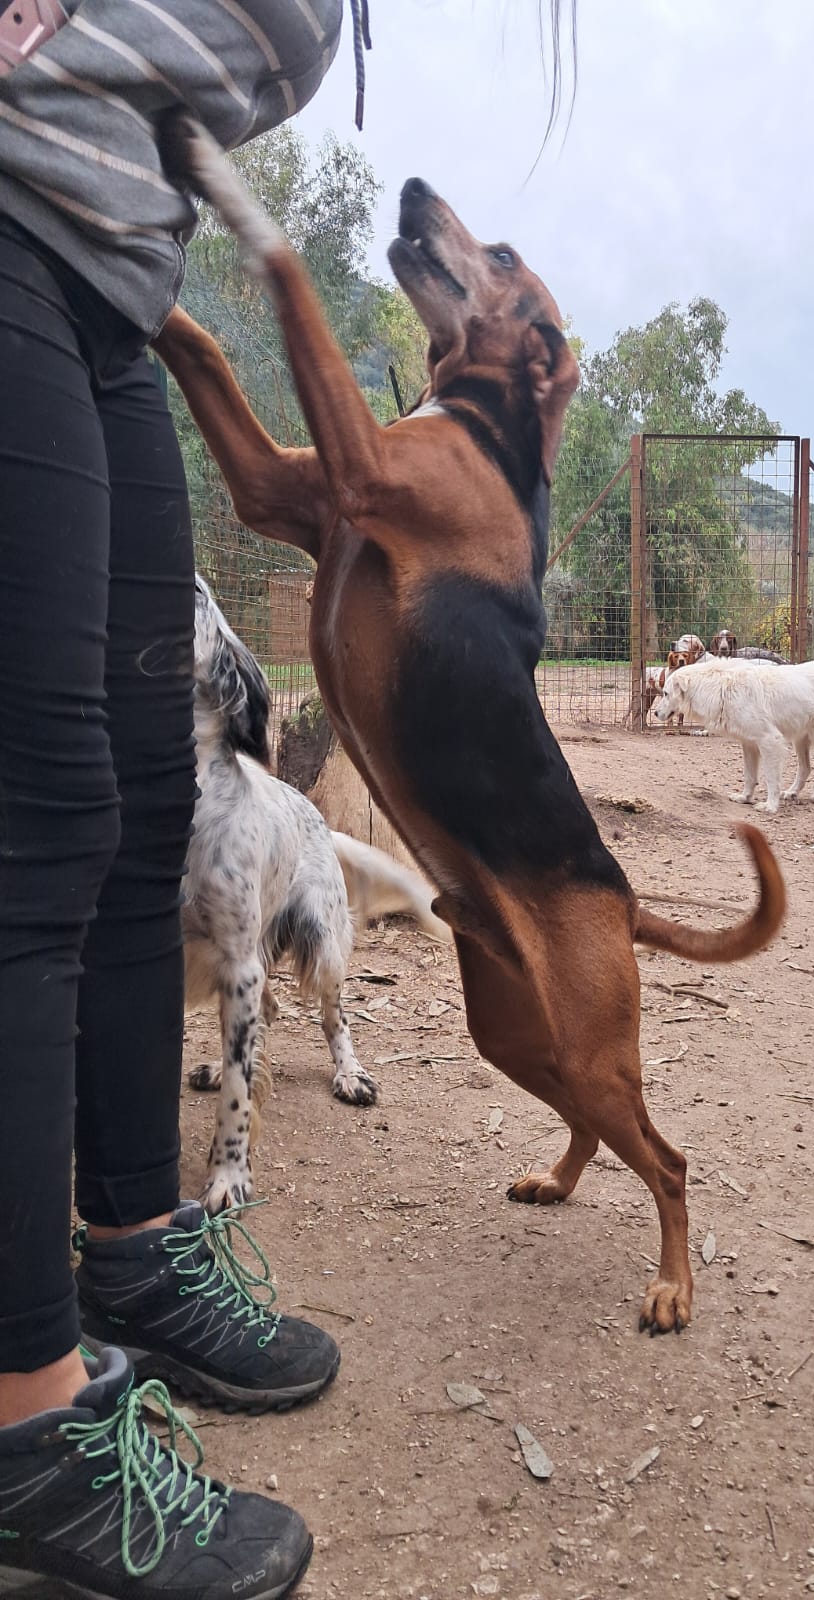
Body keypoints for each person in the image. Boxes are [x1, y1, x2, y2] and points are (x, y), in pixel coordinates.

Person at [0, 5, 349, 1597]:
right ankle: (25, 1433)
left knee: (153, 800)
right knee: (39, 816)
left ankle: (130, 1259)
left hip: (114, 280)